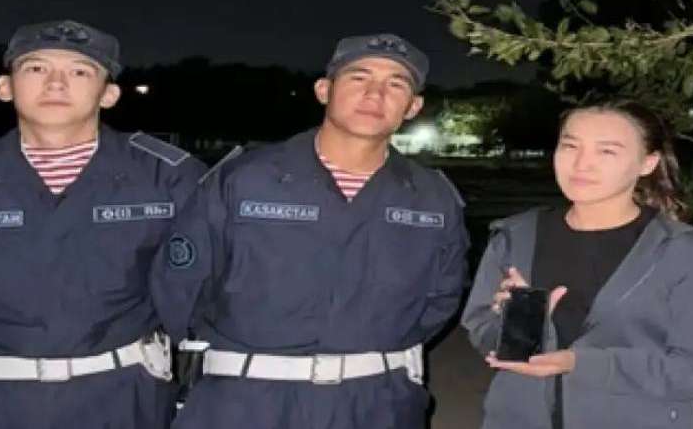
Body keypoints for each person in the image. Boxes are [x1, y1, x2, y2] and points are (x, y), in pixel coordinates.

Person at [150, 33, 469, 429]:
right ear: (324, 90)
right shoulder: (243, 179)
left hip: (376, 402)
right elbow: (182, 286)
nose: (375, 94)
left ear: (413, 106)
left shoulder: (433, 197)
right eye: (358, 77)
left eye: (396, 84)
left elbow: (440, 299)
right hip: (245, 400)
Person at [0, 19, 206, 428]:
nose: (56, 83)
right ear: (4, 87)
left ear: (109, 94)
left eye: (79, 71)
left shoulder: (169, 178)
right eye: (36, 68)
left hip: (121, 401)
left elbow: (215, 293)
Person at [462, 100, 693, 429]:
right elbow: (483, 330)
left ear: (647, 163)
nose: (581, 164)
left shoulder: (686, 253)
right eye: (570, 145)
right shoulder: (516, 236)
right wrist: (516, 325)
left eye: (607, 151)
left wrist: (579, 364)